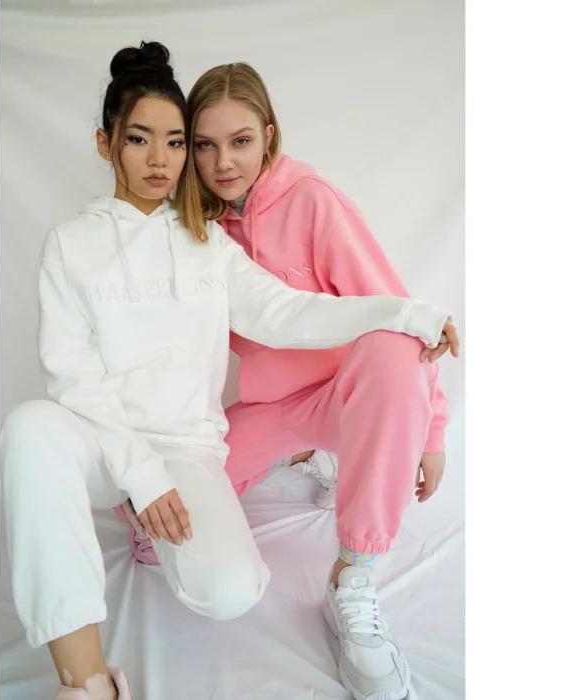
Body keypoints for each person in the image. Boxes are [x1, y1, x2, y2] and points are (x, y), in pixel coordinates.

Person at [1, 41, 457, 700]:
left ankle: (343, 561)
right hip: (103, 440)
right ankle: (87, 682)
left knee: (230, 590)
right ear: (106, 144)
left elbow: (287, 312)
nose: (162, 159)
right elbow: (72, 377)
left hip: (211, 438)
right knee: (30, 428)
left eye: (174, 142)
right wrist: (142, 477)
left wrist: (412, 317)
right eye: (140, 139)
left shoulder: (211, 240)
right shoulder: (74, 244)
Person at [180, 62, 456, 699]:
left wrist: (432, 429)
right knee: (151, 531)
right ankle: (299, 458)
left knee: (390, 345)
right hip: (274, 408)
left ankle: (352, 578)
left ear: (269, 135)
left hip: (348, 399)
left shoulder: (311, 201)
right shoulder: (196, 229)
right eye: (205, 144)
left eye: (240, 141)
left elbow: (396, 310)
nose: (224, 162)